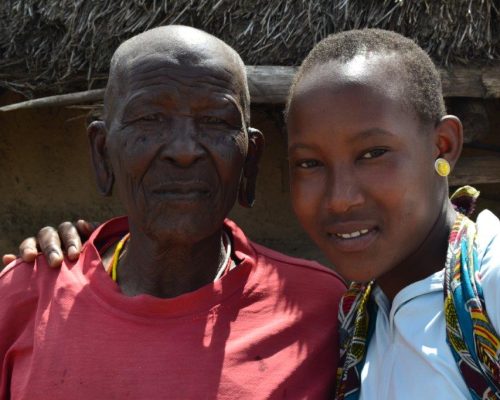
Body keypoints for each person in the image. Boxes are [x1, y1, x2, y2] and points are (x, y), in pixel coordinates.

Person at [0, 25, 346, 399]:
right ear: (102, 153)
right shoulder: (25, 295)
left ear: (251, 160)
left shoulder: (321, 310)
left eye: (214, 121)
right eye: (149, 118)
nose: (184, 150)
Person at [285, 29, 499, 399]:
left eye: (372, 154)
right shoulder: (357, 321)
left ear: (442, 146)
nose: (340, 199)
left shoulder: (490, 283)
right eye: (310, 163)